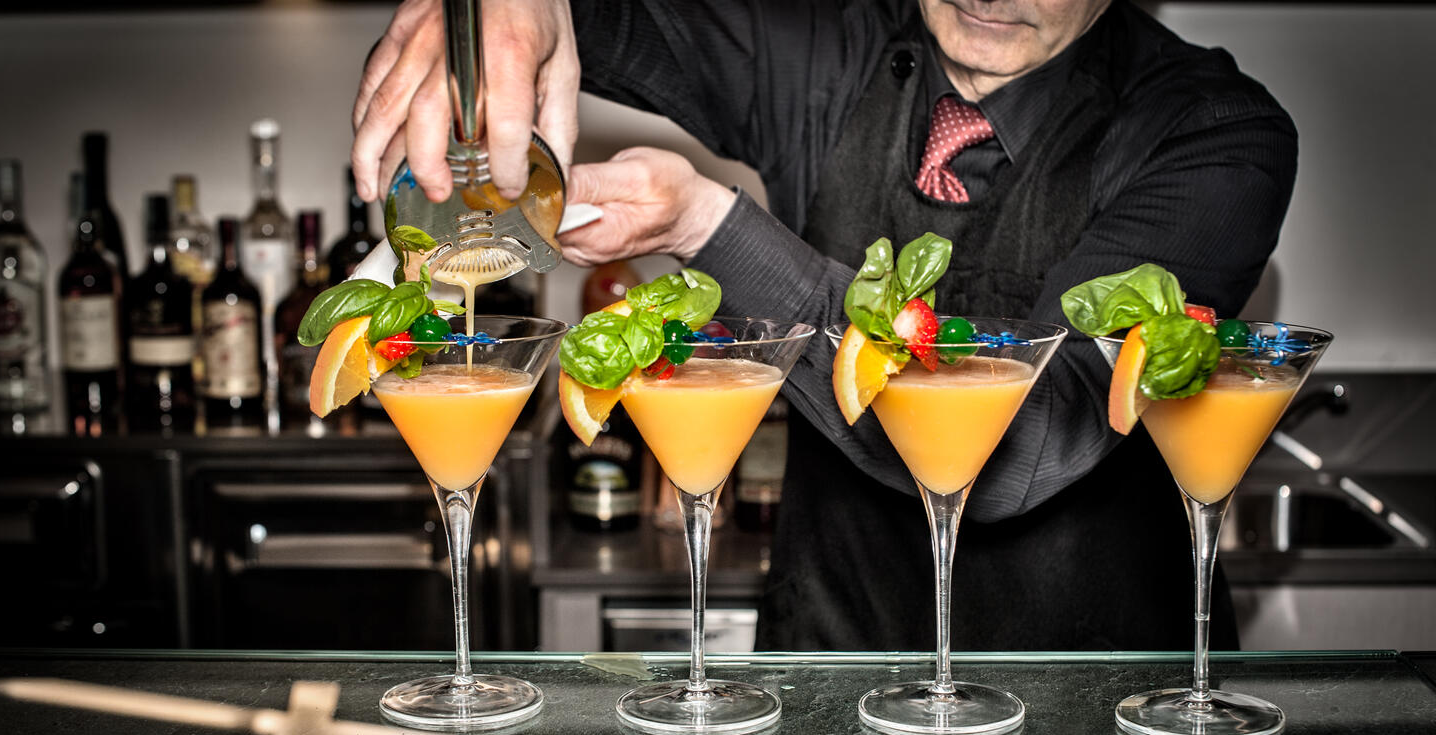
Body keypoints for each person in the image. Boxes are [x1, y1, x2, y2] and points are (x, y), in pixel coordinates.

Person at [352, 0, 1297, 652]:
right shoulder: (836, 45)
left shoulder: (1214, 134)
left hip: (1098, 704)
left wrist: (706, 225)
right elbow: (620, 16)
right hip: (826, 671)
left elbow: (1026, 442)